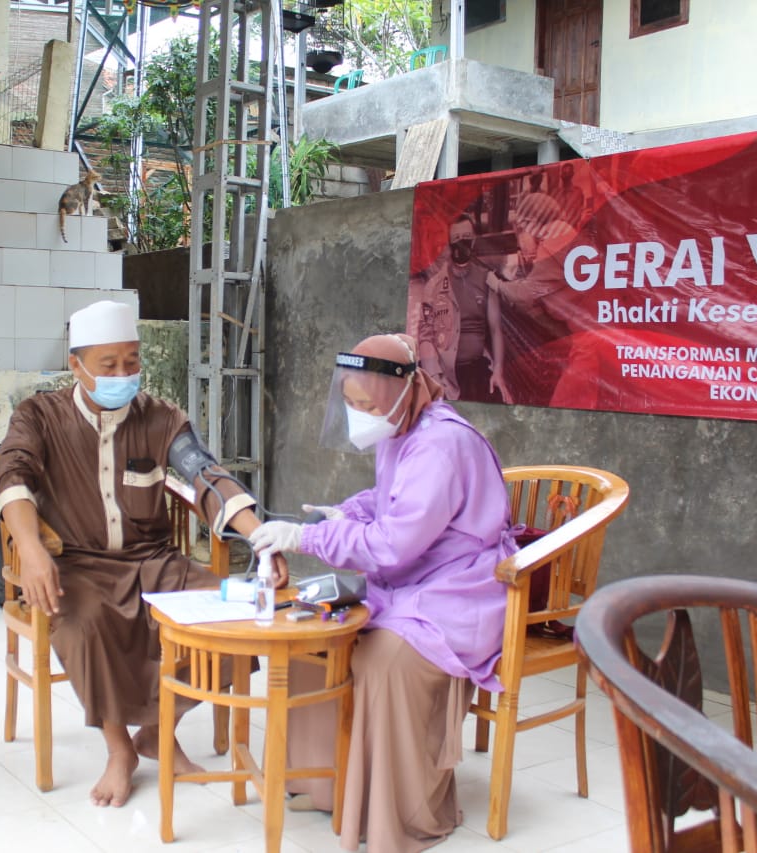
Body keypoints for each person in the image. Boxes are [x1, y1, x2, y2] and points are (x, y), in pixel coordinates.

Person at [0, 299, 288, 809]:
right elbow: (11, 475)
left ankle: (156, 730)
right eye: (108, 365)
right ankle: (120, 752)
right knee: (83, 624)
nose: (122, 374)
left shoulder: (160, 417)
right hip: (77, 563)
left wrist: (261, 538)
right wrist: (32, 549)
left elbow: (205, 474)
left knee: (237, 614)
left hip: (153, 560)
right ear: (77, 366)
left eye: (131, 361)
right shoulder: (39, 415)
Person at [248, 333, 514, 853]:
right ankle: (327, 784)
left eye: (365, 404)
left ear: (401, 391)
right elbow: (391, 498)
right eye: (349, 403)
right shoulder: (402, 426)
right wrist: (345, 511)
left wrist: (309, 537)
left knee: (382, 662)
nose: (357, 415)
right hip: (414, 582)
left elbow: (394, 545)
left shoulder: (441, 444)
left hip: (457, 593)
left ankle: (406, 813)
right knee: (312, 639)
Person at [444, 214, 511, 402]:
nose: (462, 243)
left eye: (466, 237)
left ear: (474, 239)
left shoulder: (485, 278)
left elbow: (496, 330)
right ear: (449, 243)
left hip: (475, 370)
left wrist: (498, 371)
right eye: (456, 239)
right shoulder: (438, 280)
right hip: (445, 371)